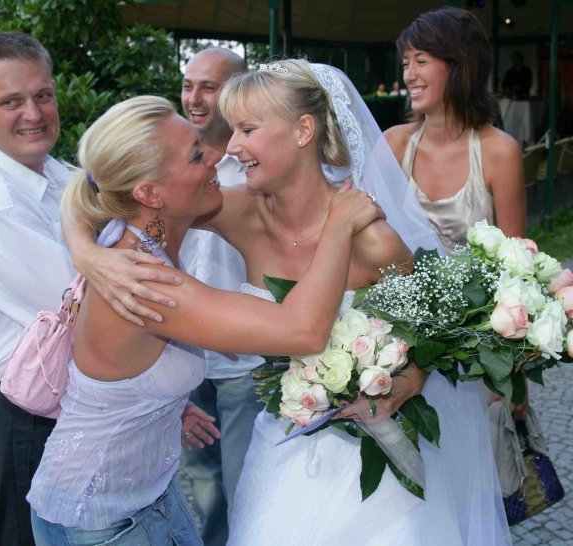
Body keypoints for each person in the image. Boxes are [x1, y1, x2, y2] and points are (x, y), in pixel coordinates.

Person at [64, 59, 511, 545]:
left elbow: (436, 330)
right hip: (281, 451)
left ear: (303, 131)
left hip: (375, 468)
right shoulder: (235, 211)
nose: (230, 147)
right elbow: (104, 189)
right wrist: (87, 254)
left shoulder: (374, 241)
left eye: (247, 129)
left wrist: (414, 375)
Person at [26, 94, 381, 545]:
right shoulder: (143, 279)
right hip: (100, 519)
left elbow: (82, 193)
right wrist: (339, 226)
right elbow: (304, 331)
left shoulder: (130, 240)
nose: (216, 156)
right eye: (196, 155)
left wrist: (157, 405)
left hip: (137, 500)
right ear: (149, 193)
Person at [0, 32, 178, 545]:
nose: (33, 113)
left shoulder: (56, 172)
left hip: (71, 405)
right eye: (11, 101)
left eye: (42, 95)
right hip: (23, 418)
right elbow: (97, 310)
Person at [179, 47, 262, 546]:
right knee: (203, 483)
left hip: (242, 359)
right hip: (182, 354)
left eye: (208, 87)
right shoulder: (169, 159)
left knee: (244, 481)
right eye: (188, 85)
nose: (194, 97)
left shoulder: (255, 164)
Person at [385, 6, 526, 257]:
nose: (409, 75)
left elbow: (515, 260)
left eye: (421, 61)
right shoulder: (393, 143)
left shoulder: (500, 151)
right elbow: (363, 234)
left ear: (459, 66)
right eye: (406, 64)